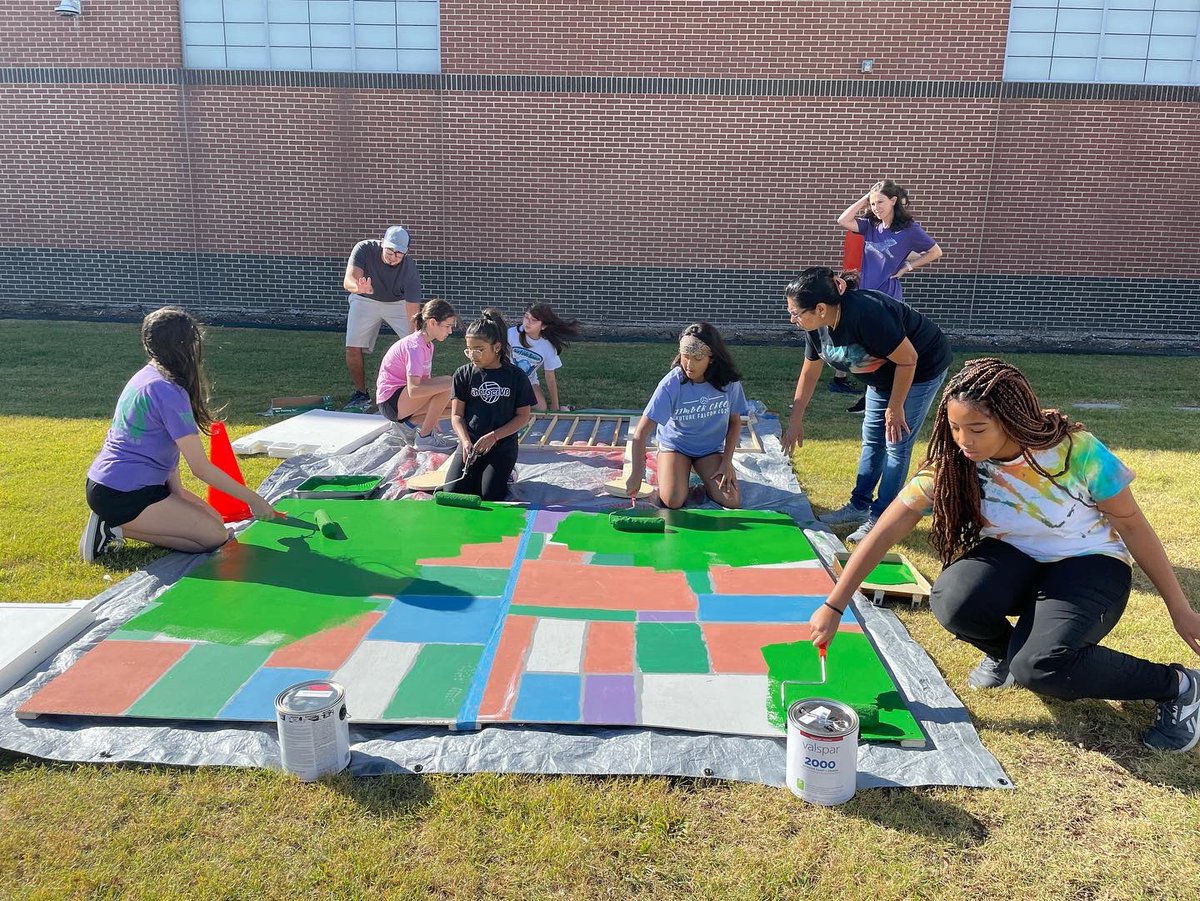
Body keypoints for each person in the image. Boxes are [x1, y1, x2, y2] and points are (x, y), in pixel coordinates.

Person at [809, 358, 1200, 753]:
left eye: (977, 429)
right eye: (955, 428)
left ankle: (1178, 685)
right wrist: (834, 605)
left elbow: (1134, 526)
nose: (964, 441)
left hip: (1089, 564)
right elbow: (887, 529)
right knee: (953, 600)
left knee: (1041, 667)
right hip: (1014, 559)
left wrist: (1179, 610)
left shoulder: (1076, 453)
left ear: (1011, 419)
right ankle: (1007, 654)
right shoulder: (954, 463)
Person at [80, 307, 276, 562]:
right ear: (186, 346)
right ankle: (114, 526)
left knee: (218, 525)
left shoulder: (148, 376)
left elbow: (163, 450)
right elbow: (200, 468)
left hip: (117, 484)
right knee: (214, 536)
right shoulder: (168, 390)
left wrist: (181, 495)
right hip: (124, 493)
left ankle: (117, 522)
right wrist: (255, 500)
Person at [782, 266, 951, 543]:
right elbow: (809, 373)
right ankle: (859, 507)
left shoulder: (867, 314)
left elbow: (908, 359)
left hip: (920, 369)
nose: (792, 319)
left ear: (821, 308)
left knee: (896, 442)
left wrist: (895, 407)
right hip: (882, 378)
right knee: (872, 439)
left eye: (795, 313)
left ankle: (881, 519)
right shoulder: (816, 328)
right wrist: (795, 420)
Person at [626, 322, 749, 510]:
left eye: (697, 358)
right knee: (673, 500)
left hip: (710, 450)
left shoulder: (728, 383)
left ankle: (698, 474)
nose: (689, 365)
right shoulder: (671, 384)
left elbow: (734, 423)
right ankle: (672, 467)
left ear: (712, 358)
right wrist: (636, 474)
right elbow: (640, 433)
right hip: (676, 447)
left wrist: (727, 462)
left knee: (731, 500)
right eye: (685, 357)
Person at [446, 309, 536, 500]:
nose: (472, 355)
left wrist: (495, 437)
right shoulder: (463, 374)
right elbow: (457, 416)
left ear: (496, 347)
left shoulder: (516, 376)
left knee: (489, 495)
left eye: (478, 349)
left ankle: (508, 473)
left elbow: (523, 416)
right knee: (453, 493)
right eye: (468, 349)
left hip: (502, 446)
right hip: (471, 446)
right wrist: (464, 441)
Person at [341, 225, 423, 412]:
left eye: (398, 253)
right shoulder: (364, 248)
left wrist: (415, 337)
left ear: (406, 253)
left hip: (397, 303)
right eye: (389, 250)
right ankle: (361, 394)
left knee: (415, 345)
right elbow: (348, 281)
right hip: (364, 299)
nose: (393, 256)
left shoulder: (409, 270)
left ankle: (414, 392)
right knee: (352, 346)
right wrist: (359, 288)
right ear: (382, 243)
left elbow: (412, 310)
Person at [837, 179, 943, 305]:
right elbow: (843, 220)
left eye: (880, 202)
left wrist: (908, 267)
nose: (876, 208)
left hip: (888, 297)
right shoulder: (871, 225)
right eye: (873, 204)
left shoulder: (909, 229)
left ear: (893, 201)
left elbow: (936, 252)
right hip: (865, 293)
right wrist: (867, 196)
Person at [375, 299, 459, 452]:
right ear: (432, 323)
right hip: (391, 402)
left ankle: (408, 425)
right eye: (447, 326)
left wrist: (434, 414)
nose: (450, 331)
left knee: (456, 405)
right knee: (450, 383)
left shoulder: (428, 344)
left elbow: (425, 384)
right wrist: (434, 412)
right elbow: (415, 389)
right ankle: (425, 437)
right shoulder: (414, 346)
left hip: (402, 400)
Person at [507, 302, 582, 412]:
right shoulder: (511, 334)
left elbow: (550, 375)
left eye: (534, 320)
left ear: (543, 326)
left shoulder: (548, 346)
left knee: (541, 408)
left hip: (528, 380)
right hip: (507, 378)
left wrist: (555, 404)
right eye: (526, 317)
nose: (528, 322)